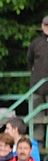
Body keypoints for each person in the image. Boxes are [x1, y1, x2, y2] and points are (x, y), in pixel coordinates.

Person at [28, 16, 48, 144]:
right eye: (46, 25)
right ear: (42, 26)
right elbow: (29, 61)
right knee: (37, 118)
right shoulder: (36, 43)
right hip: (37, 86)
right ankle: (37, 144)